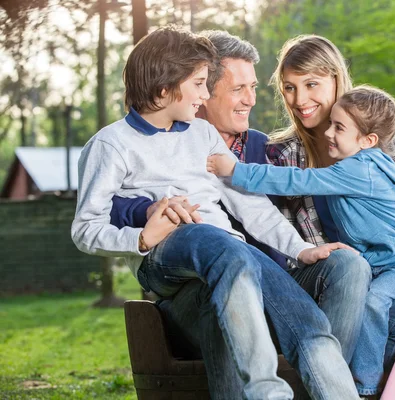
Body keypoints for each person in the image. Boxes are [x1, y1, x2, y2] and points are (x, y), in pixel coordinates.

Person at [71, 26, 361, 400]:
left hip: (231, 254)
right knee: (207, 235)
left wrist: (300, 249)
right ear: (164, 89)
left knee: (308, 324)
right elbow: (85, 228)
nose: (206, 95)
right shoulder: (110, 145)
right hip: (166, 256)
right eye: (199, 84)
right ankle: (267, 392)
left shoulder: (202, 133)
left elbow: (249, 203)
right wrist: (141, 238)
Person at [266, 35, 395, 397]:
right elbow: (285, 245)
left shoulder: (382, 141)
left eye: (311, 84)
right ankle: (365, 391)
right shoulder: (283, 154)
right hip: (342, 284)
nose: (299, 100)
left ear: (336, 79)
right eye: (289, 87)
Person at [208, 84, 395, 394]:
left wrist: (236, 170)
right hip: (389, 258)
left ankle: (362, 387)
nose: (329, 132)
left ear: (367, 140)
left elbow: (298, 180)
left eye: (339, 127)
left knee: (373, 303)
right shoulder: (380, 164)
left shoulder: (360, 168)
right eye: (331, 123)